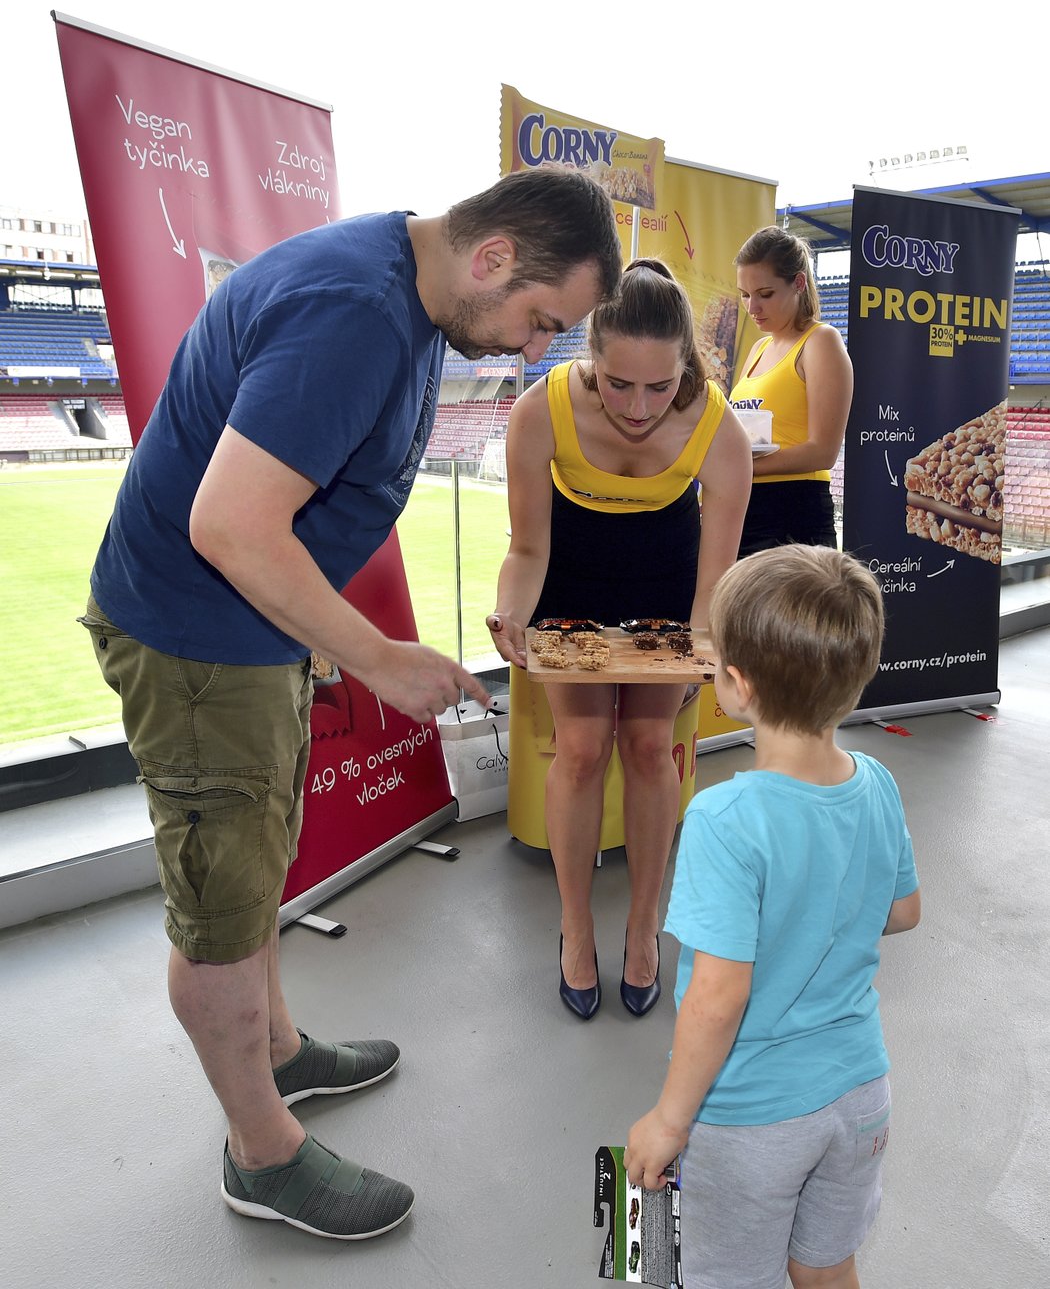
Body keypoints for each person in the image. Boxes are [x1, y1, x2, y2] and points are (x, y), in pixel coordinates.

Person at [78, 168, 622, 1242]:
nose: (532, 350)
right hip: (196, 644)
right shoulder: (358, 314)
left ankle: (279, 1051)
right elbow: (231, 526)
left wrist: (315, 637)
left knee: (261, 856)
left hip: (250, 636)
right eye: (539, 321)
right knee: (224, 914)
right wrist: (375, 655)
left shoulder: (409, 291)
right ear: (495, 258)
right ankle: (261, 1155)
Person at [625, 545, 921, 1289]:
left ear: (735, 685)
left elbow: (719, 998)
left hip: (752, 1115)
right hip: (859, 1097)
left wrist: (667, 1121)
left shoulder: (725, 817)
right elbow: (904, 910)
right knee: (826, 1267)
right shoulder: (877, 781)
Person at [486, 259, 752, 1021]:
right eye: (617, 384)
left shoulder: (717, 429)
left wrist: (708, 650)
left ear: (686, 369)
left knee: (646, 746)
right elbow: (528, 550)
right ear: (589, 357)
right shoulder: (538, 413)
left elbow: (713, 584)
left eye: (659, 387)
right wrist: (512, 612)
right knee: (577, 748)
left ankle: (642, 928)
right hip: (571, 575)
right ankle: (574, 928)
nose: (637, 407)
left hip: (664, 582)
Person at [730, 226, 854, 557]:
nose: (752, 307)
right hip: (743, 509)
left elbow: (822, 451)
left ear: (798, 283)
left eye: (765, 294)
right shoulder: (757, 349)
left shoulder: (820, 341)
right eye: (744, 294)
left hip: (794, 512)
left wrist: (738, 466)